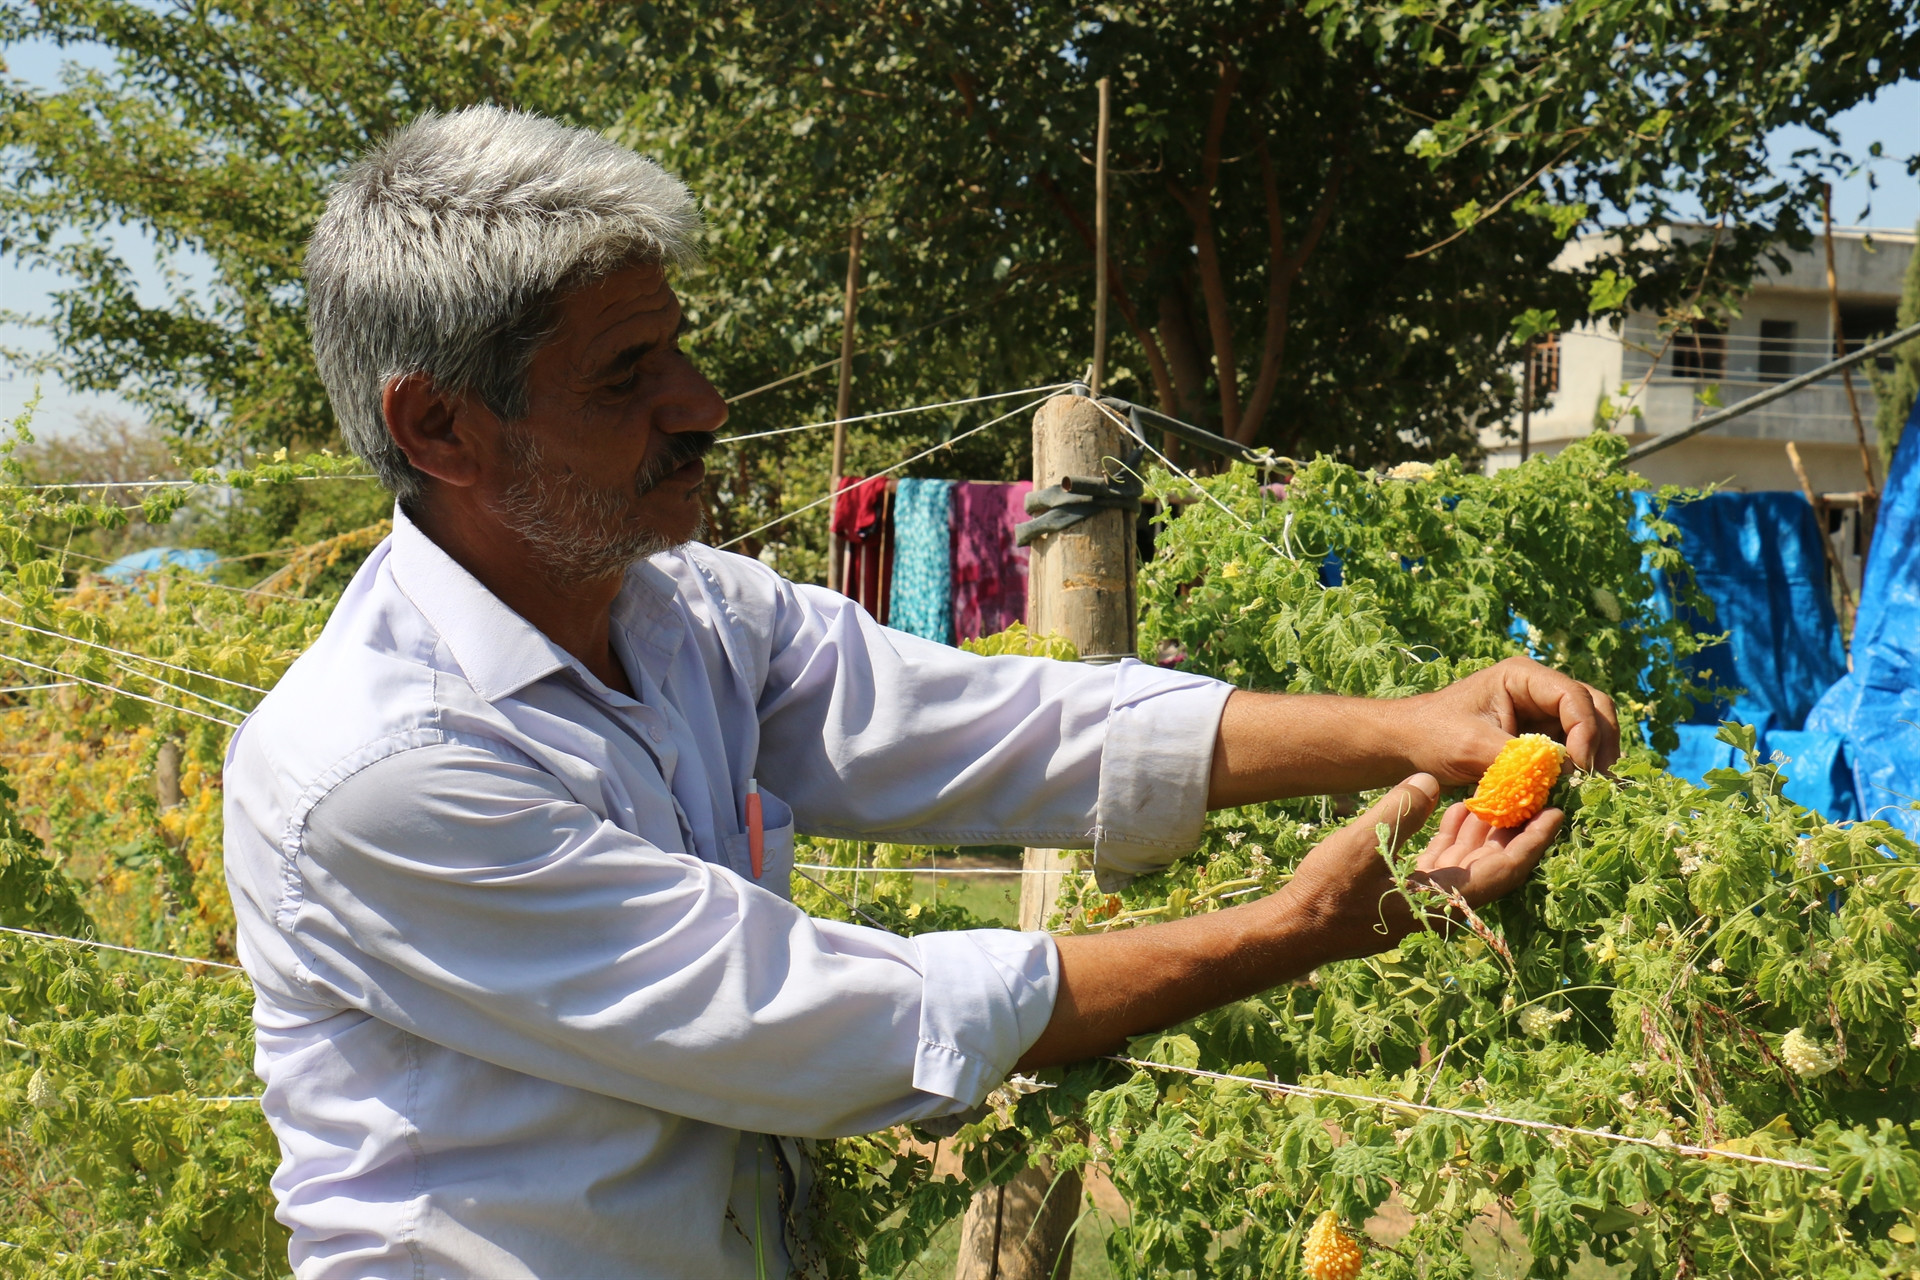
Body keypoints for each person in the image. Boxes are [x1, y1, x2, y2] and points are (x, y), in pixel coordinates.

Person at [225, 105, 1619, 1280]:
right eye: (626, 374)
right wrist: (1307, 924)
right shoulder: (381, 772)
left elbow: (1003, 729)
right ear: (439, 427)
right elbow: (829, 1023)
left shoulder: (680, 611)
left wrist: (1409, 728)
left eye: (678, 347)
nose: (703, 401)